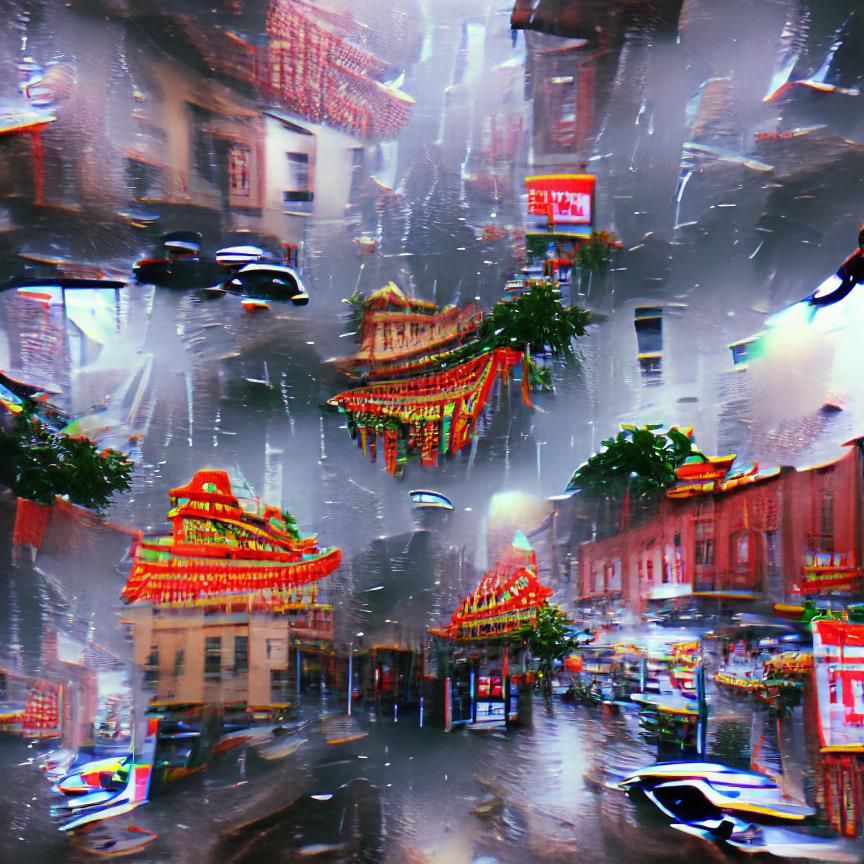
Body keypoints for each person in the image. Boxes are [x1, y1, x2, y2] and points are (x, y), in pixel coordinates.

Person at [812, 225, 864, 306]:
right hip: (845, 272)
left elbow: (840, 293)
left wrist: (816, 301)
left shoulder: (856, 269)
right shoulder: (855, 261)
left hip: (848, 274)